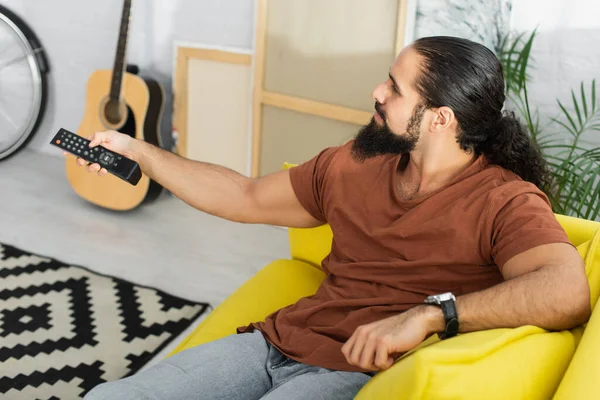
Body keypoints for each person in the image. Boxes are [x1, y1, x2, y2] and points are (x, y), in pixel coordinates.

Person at [82, 36, 591, 400]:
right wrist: (138, 151)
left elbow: (566, 292)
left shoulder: (505, 201)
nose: (377, 92)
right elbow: (245, 196)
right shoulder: (355, 162)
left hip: (359, 373)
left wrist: (430, 315)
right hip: (277, 342)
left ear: (440, 118)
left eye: (395, 87)